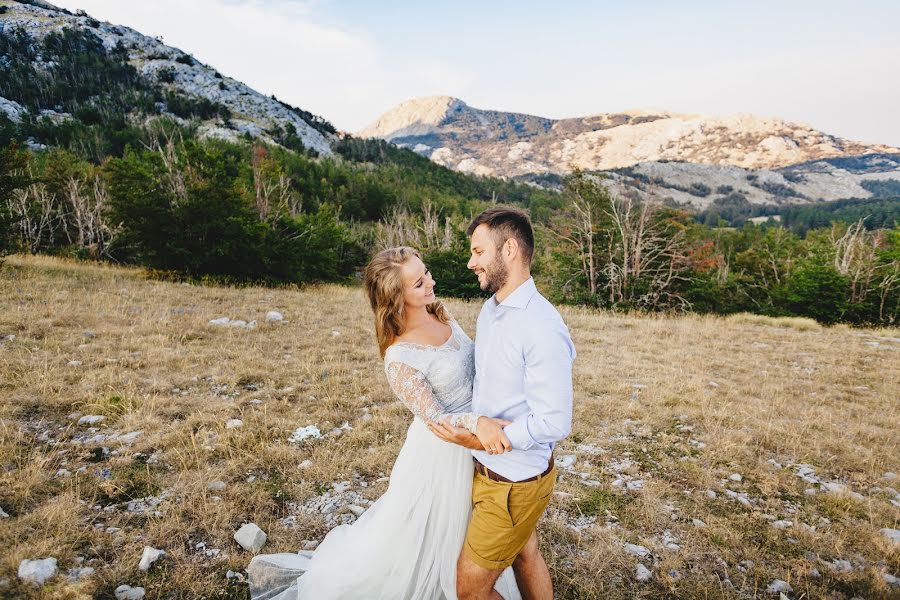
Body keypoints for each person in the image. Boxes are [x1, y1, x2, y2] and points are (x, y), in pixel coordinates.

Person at [247, 246, 521, 599]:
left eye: (427, 273)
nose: (432, 283)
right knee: (436, 540)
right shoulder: (399, 356)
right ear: (396, 298)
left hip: (481, 440)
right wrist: (479, 421)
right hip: (444, 456)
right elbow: (435, 418)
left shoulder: (439, 311)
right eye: (419, 282)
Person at [428, 207, 576, 600]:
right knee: (526, 555)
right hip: (493, 472)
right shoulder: (492, 309)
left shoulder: (541, 327)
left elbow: (555, 421)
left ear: (508, 249)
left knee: (469, 592)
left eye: (478, 251)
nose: (470, 261)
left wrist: (484, 440)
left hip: (512, 484)